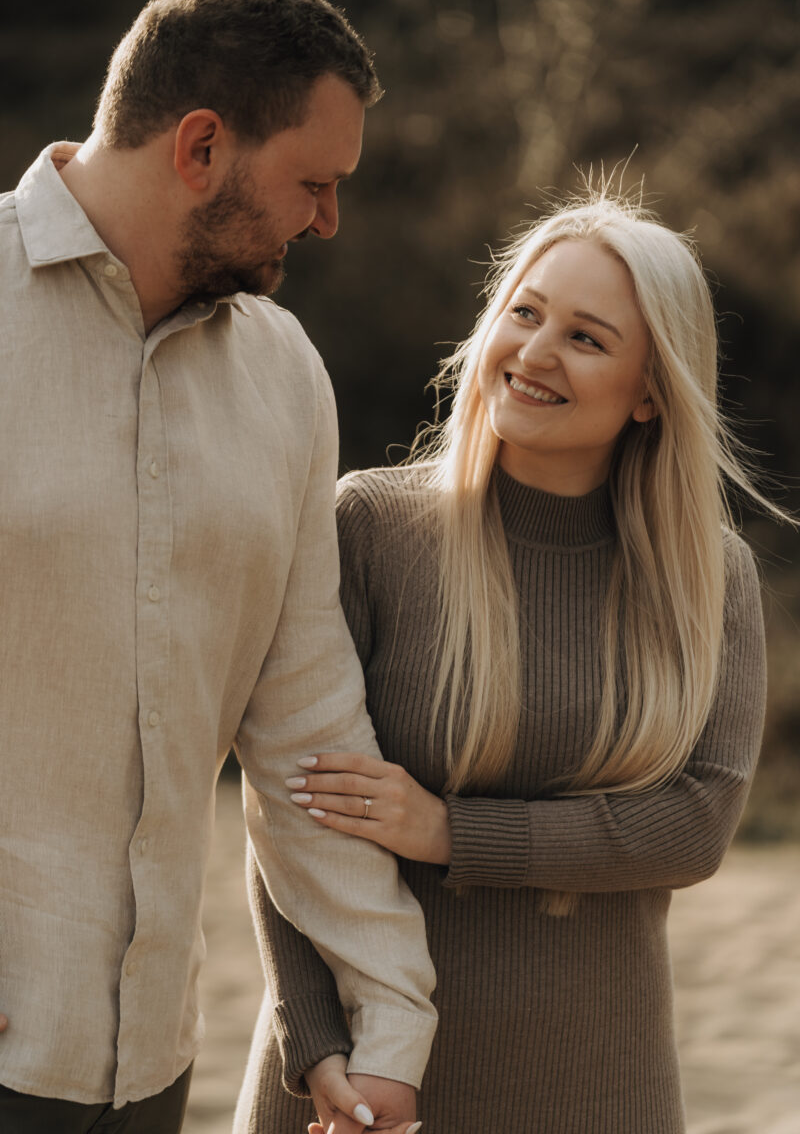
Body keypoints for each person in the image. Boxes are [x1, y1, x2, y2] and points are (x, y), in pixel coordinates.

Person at [238, 193, 783, 1133]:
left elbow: (695, 825)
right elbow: (292, 805)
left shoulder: (710, 575)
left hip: (599, 1085)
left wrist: (452, 833)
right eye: (525, 313)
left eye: (586, 337)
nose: (534, 354)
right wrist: (319, 1046)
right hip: (359, 1085)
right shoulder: (372, 526)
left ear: (652, 391)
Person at [0, 0, 435, 1134]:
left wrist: (388, 1013)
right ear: (200, 149)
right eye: (311, 181)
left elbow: (305, 727)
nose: (328, 219)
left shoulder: (284, 376)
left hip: (146, 1067)